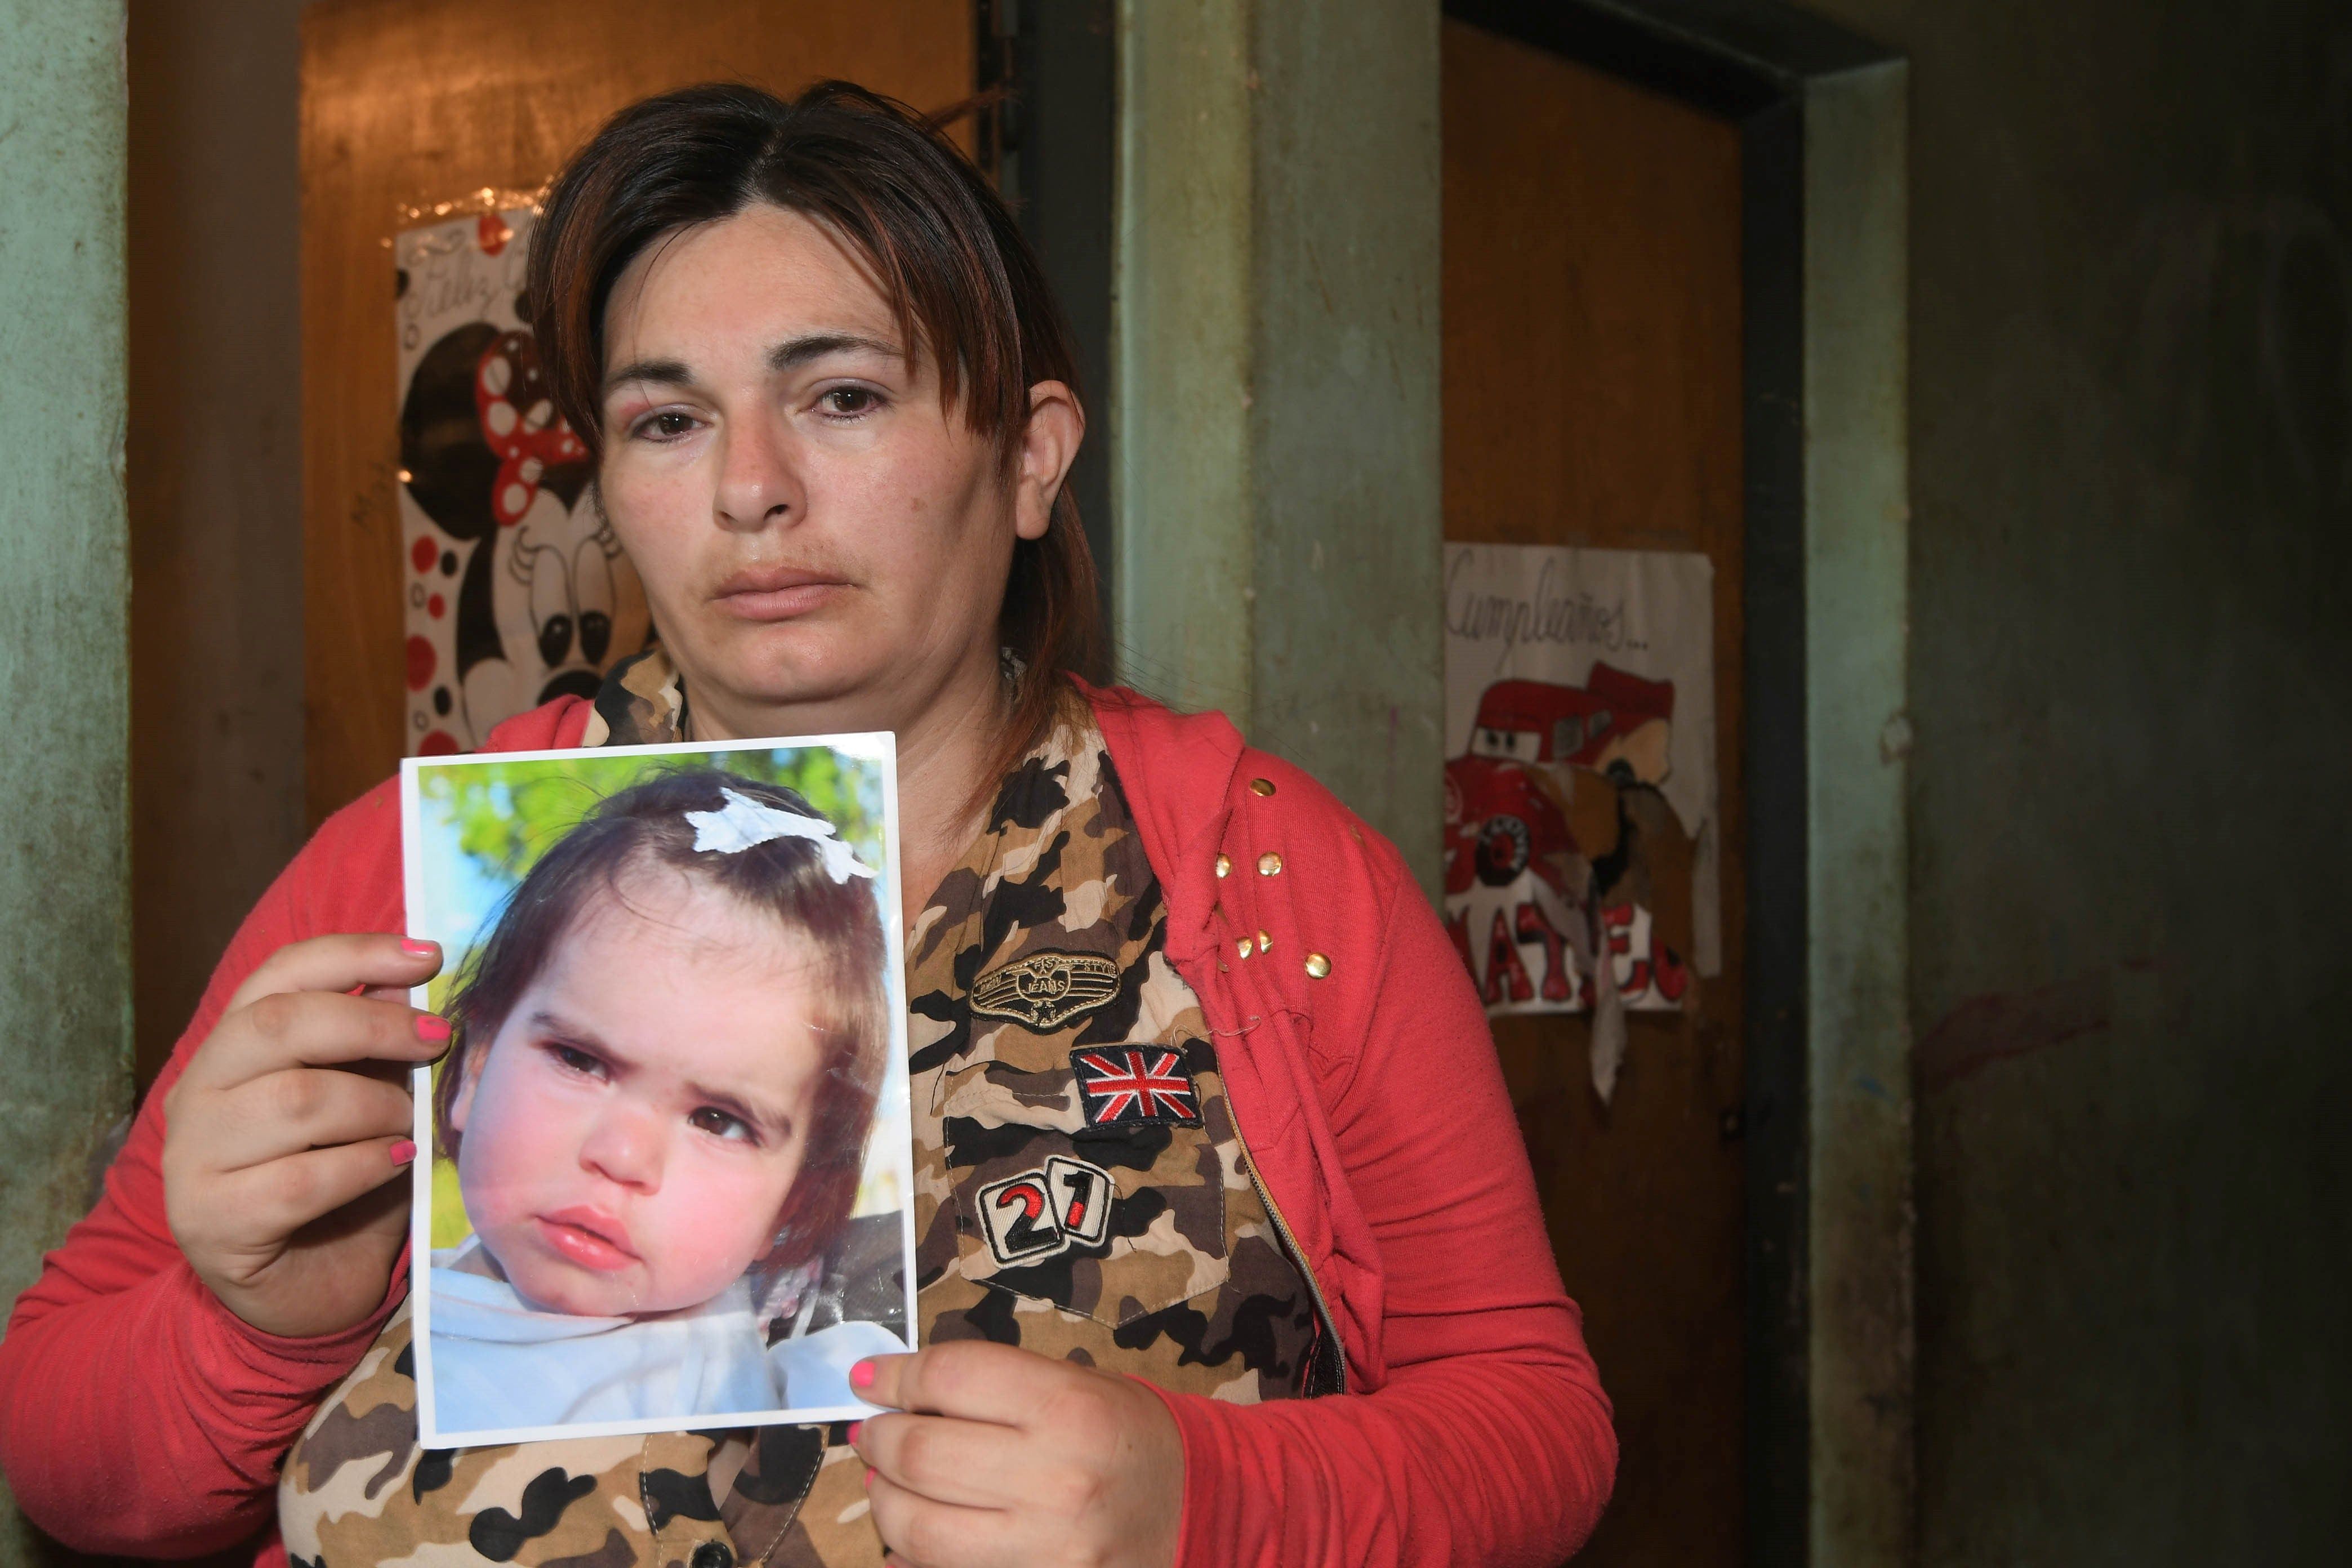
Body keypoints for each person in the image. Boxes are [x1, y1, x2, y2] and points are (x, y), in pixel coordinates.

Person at [0, 81, 1616, 1568]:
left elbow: (1535, 1421)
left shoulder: (1252, 866)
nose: (750, 488)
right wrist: (256, 1323)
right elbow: (67, 1462)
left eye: (840, 397)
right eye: (667, 420)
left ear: (1032, 456)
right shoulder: (416, 877)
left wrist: (1216, 1502)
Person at [423, 768, 906, 1435]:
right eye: (580, 1059)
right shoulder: (358, 1321)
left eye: (718, 1120)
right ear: (476, 1067)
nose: (621, 1155)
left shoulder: (800, 1385)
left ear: (792, 1200)